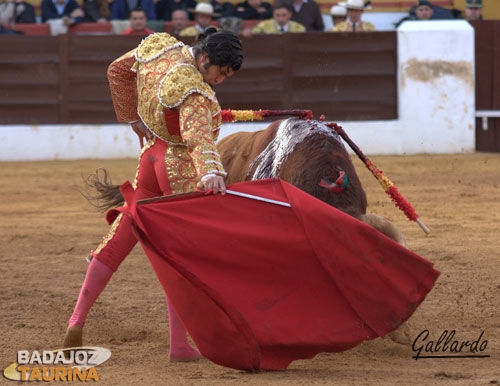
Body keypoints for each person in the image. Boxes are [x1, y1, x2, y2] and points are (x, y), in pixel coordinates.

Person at [62, 28, 244, 362]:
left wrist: (132, 118)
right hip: (178, 169)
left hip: (149, 157)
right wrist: (210, 172)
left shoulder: (161, 48)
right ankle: (178, 346)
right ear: (205, 59)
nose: (220, 81)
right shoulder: (194, 91)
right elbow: (196, 137)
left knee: (119, 238)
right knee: (180, 258)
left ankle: (77, 318)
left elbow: (116, 70)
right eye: (220, 73)